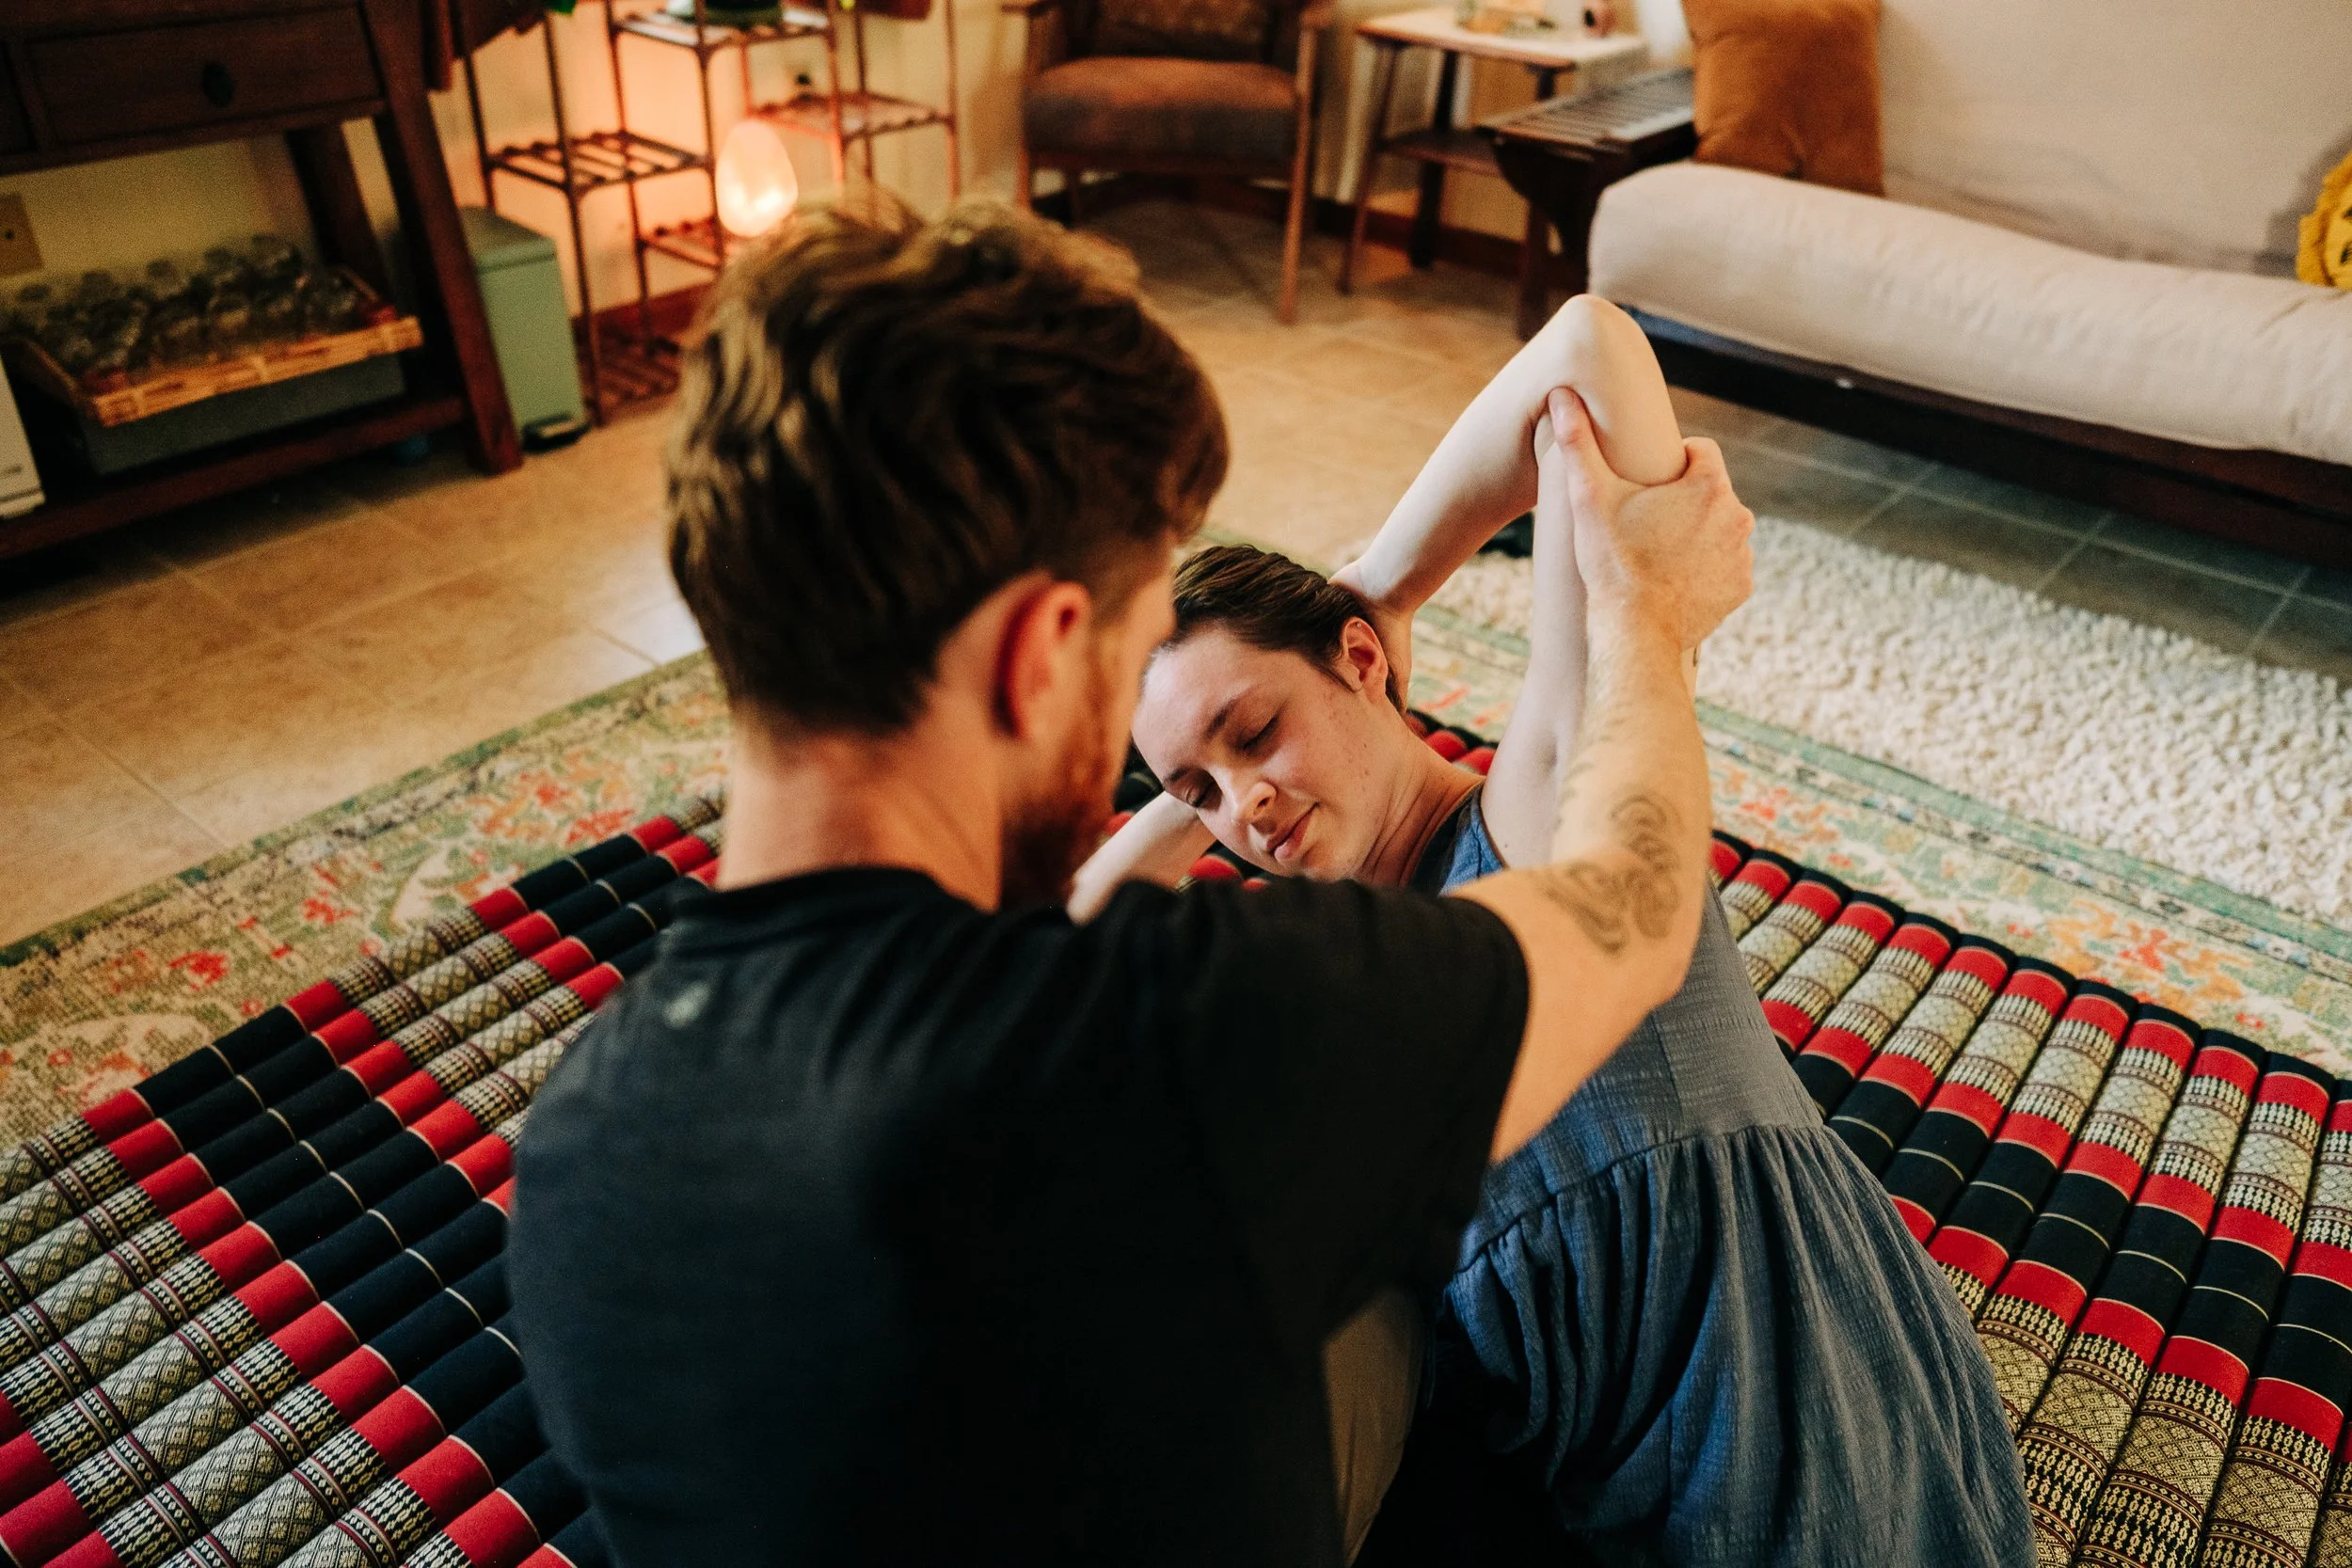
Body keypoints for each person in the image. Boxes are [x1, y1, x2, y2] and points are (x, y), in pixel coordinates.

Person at [505, 200, 1754, 1567]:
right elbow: (1631, 902)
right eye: (1124, 649)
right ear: (1043, 650)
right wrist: (1648, 620)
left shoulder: (578, 1159)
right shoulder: (1174, 1041)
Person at [1087, 296, 2032, 1564]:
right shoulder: (1354, 967)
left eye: (1257, 730)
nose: (1243, 803)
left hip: (1783, 1426)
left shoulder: (1538, 813)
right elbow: (1070, 973)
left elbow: (1589, 350)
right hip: (1592, 1483)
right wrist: (1197, 794)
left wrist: (1378, 580)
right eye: (1195, 789)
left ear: (1362, 662)